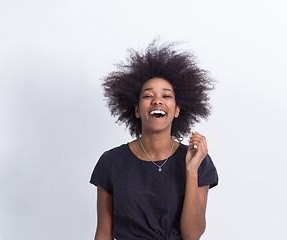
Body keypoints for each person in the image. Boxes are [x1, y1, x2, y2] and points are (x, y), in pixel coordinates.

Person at [90, 40, 219, 240]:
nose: (157, 100)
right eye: (148, 95)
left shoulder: (198, 161)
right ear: (136, 110)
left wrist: (191, 172)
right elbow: (104, 233)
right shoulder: (111, 162)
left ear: (176, 110)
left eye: (166, 96)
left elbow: (192, 235)